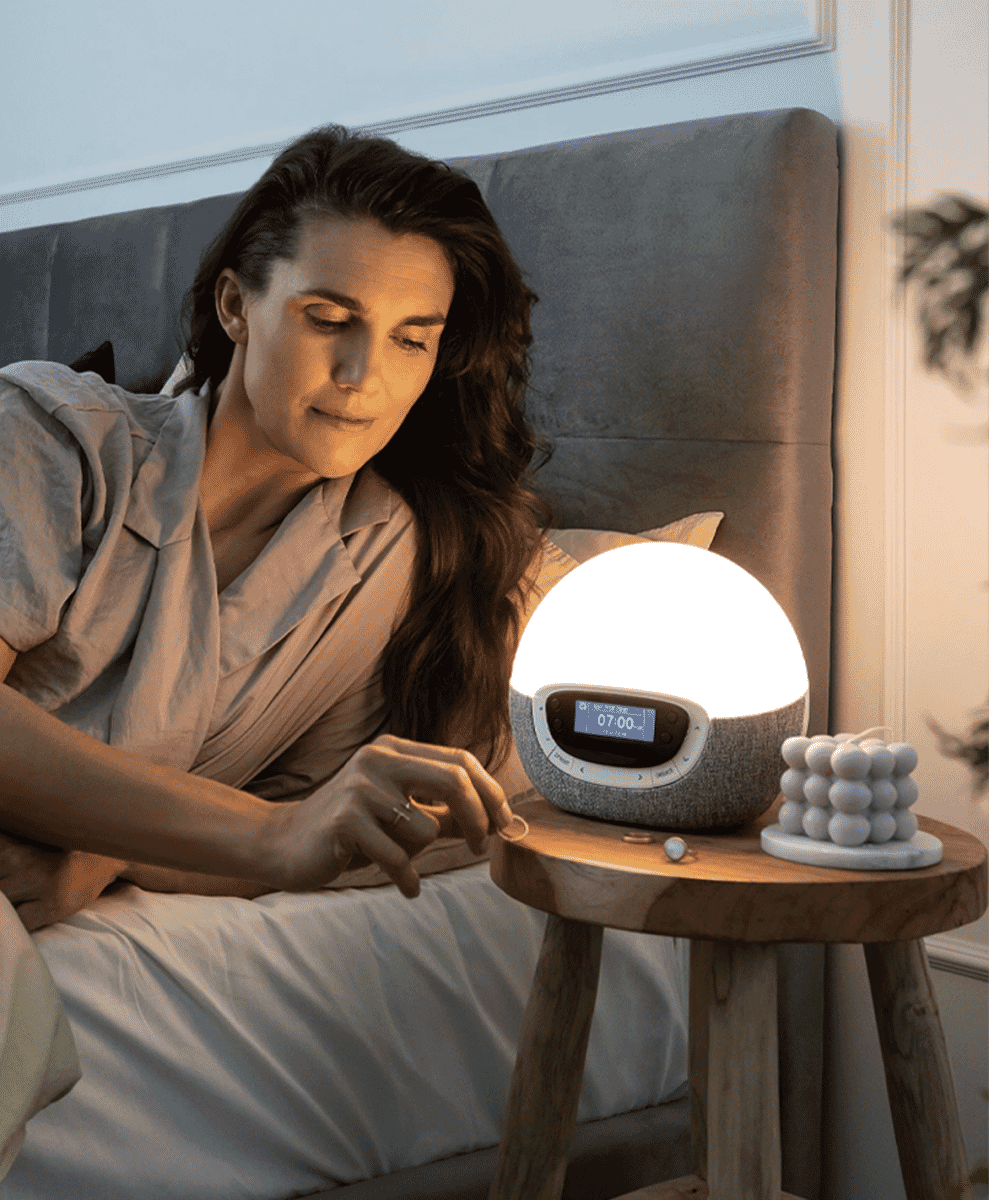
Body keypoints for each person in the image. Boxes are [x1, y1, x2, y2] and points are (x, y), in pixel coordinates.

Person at [0, 125, 551, 931]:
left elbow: (326, 821)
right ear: (236, 307)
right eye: (328, 319)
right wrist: (268, 835)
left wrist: (107, 854)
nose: (364, 378)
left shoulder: (392, 561)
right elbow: (286, 828)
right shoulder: (60, 434)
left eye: (410, 339)